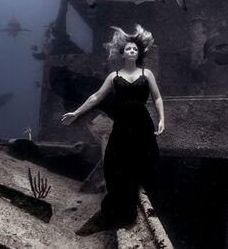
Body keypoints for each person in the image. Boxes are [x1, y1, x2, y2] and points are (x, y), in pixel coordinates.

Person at [61, 24, 165, 231]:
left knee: (146, 158)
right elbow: (96, 97)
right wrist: (76, 112)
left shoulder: (148, 73)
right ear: (122, 53)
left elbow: (157, 97)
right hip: (122, 123)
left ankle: (137, 197)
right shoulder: (113, 76)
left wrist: (162, 119)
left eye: (135, 49)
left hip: (143, 123)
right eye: (129, 49)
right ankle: (117, 210)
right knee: (112, 162)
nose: (132, 51)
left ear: (139, 52)